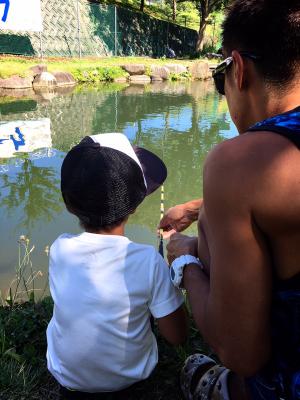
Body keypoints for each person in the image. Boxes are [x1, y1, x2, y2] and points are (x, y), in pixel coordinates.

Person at [159, 0, 300, 399]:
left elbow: (242, 352)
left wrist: (185, 260)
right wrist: (198, 208)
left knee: (215, 371)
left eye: (219, 78)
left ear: (238, 69)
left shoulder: (236, 162)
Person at [46, 133, 187, 399]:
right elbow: (176, 335)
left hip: (69, 381)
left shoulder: (59, 249)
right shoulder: (148, 261)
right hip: (130, 385)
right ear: (134, 206)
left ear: (68, 202)